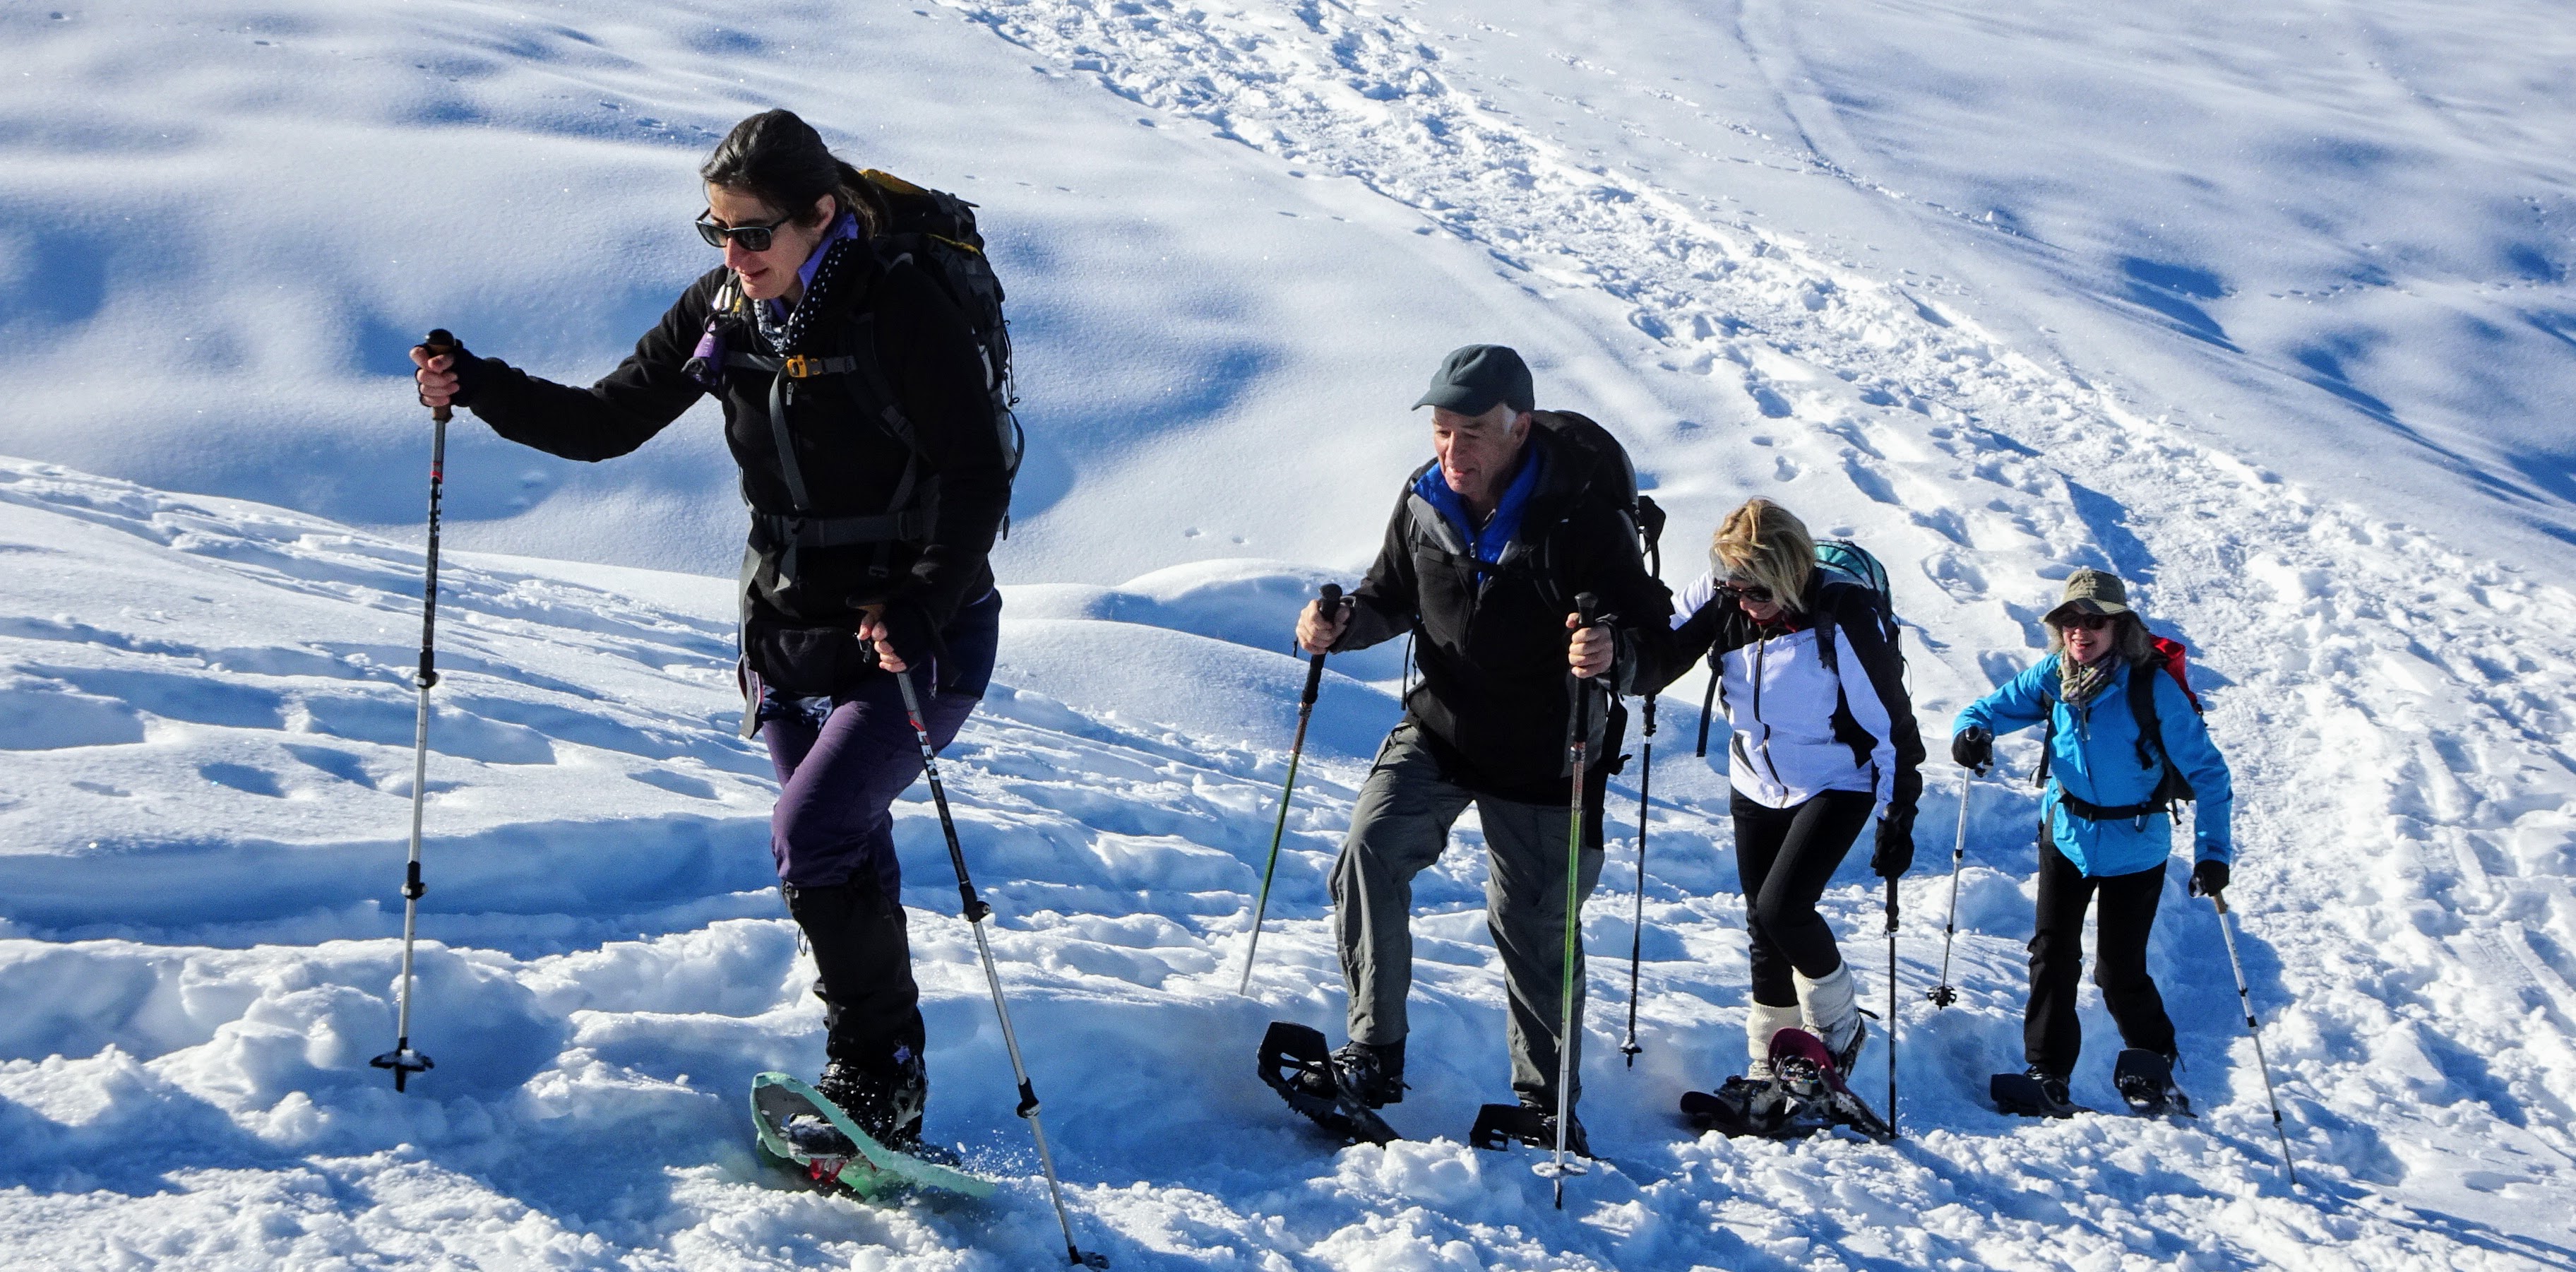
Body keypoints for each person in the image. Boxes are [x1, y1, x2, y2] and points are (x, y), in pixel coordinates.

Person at [410, 109, 1011, 1148]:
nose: (734, 255)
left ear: (820, 214)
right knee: (842, 846)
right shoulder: (724, 309)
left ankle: (875, 1074)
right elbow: (605, 422)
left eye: (753, 233)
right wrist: (481, 384)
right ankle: (884, 1083)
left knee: (812, 834)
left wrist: (922, 599)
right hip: (787, 635)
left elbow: (976, 474)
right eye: (717, 231)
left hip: (918, 635)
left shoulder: (899, 304)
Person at [1294, 343, 1673, 1151]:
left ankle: (1547, 1105)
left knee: (1533, 924)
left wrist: (1616, 652)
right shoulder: (1424, 499)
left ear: (1519, 428)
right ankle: (1373, 1055)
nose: (1452, 449)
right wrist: (1342, 624)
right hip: (1443, 726)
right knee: (1369, 850)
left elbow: (1657, 640)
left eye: (1471, 432)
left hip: (1546, 750)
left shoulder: (1581, 519)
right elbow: (1390, 595)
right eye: (1441, 429)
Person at [1664, 499, 1921, 1103]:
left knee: (1784, 909)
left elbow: (1891, 725)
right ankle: (1768, 1069)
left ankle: (1838, 1028)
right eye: (1733, 588)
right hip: (1755, 778)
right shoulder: (1726, 596)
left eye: (1756, 591)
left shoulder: (1842, 612)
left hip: (1837, 779)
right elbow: (1657, 644)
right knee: (1762, 925)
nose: (1742, 603)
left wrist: (1897, 812)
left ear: (1788, 575)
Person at [1951, 568, 2233, 1113]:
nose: (2081, 631)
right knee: (2052, 955)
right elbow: (1985, 710)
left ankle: (2154, 1063)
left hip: (2136, 844)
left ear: (2120, 626)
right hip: (2066, 835)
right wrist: (1971, 733)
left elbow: (2210, 772)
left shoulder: (2151, 688)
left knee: (2118, 969)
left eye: (2095, 621)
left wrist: (2214, 853)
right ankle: (2048, 1073)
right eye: (2070, 621)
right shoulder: (2053, 675)